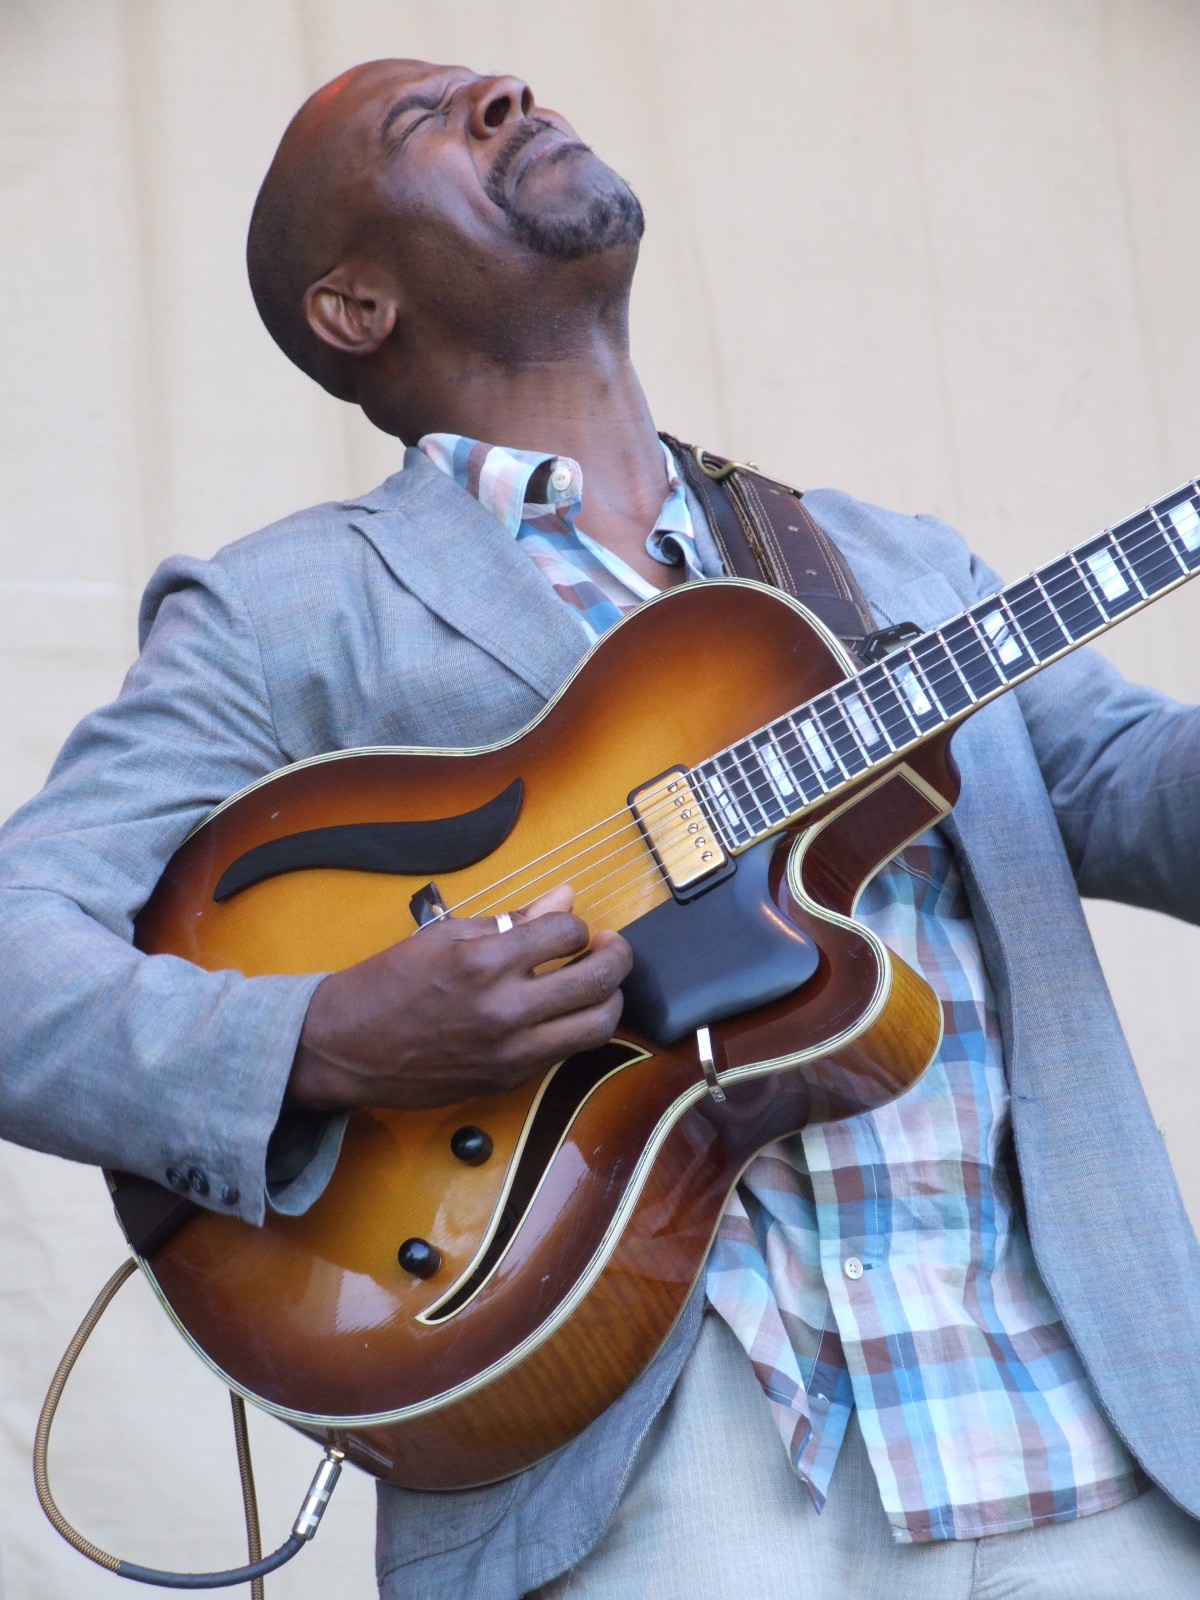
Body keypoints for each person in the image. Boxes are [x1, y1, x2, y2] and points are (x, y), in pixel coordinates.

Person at [2, 57, 1199, 1600]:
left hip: (1080, 1426)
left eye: (497, 84)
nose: (506, 88)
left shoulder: (904, 570)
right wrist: (324, 1038)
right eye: (426, 117)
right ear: (353, 307)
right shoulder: (281, 609)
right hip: (659, 1477)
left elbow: (1147, 798)